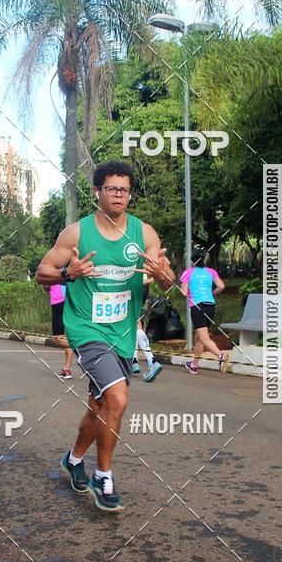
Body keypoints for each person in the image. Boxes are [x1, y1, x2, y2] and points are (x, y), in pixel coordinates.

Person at [36, 161, 175, 512]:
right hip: (87, 329)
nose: (118, 195)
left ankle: (73, 458)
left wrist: (162, 274)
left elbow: (168, 280)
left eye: (124, 190)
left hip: (123, 333)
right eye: (112, 188)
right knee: (118, 399)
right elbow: (42, 273)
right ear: (97, 192)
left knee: (99, 406)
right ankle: (103, 476)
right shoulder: (76, 234)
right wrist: (69, 273)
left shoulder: (143, 234)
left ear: (130, 195)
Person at [180, 251, 226, 374]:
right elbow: (221, 286)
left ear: (192, 261)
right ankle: (194, 365)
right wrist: (212, 293)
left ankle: (221, 355)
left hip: (198, 308)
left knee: (204, 338)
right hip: (210, 306)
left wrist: (182, 289)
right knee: (199, 337)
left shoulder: (188, 273)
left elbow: (184, 292)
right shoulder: (211, 272)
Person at [131, 276, 163, 382]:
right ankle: (134, 361)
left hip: (132, 287)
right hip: (142, 288)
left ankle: (151, 362)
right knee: (134, 322)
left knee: (132, 322)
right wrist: (147, 281)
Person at [45, 283, 74, 379]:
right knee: (59, 338)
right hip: (57, 303)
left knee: (59, 337)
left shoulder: (62, 272)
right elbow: (47, 288)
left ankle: (67, 369)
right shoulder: (51, 273)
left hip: (62, 302)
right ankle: (67, 370)